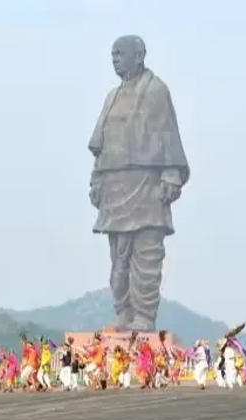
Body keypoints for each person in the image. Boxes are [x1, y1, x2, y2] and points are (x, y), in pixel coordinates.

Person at [88, 35, 190, 332]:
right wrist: (96, 181)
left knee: (146, 254)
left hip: (146, 186)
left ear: (139, 55)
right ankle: (123, 311)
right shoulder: (112, 96)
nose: (115, 58)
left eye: (120, 53)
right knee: (118, 259)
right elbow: (100, 147)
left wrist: (170, 174)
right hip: (114, 187)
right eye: (112, 53)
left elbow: (168, 133)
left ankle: (144, 315)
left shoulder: (156, 90)